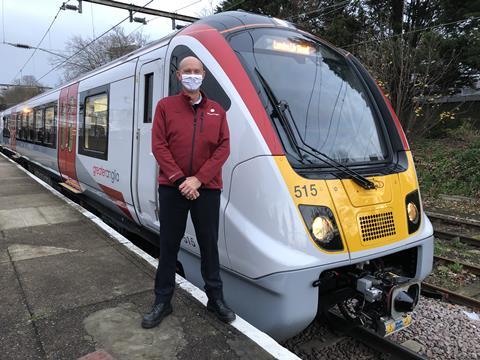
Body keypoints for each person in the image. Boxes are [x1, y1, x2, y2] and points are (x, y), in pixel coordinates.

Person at [142, 56, 236, 329]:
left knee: (209, 245)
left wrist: (198, 180)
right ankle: (162, 301)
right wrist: (181, 179)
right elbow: (159, 146)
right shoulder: (165, 107)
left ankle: (215, 299)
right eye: (187, 71)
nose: (192, 75)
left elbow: (223, 149)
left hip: (207, 189)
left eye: (196, 71)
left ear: (203, 74)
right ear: (178, 76)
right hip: (173, 188)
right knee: (168, 244)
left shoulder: (218, 110)